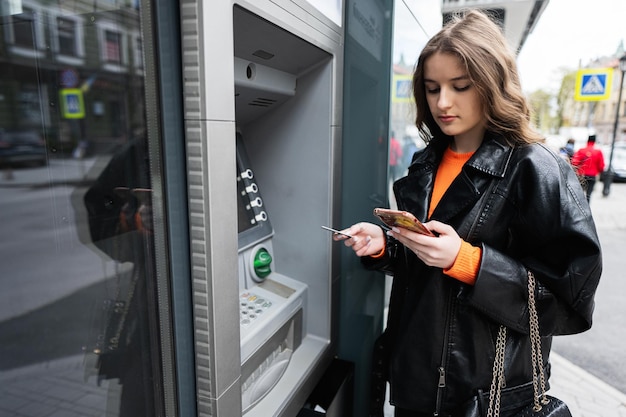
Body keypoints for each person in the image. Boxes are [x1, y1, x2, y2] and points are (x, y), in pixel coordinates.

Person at [334, 10, 602, 417]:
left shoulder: (536, 167)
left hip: (485, 397)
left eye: (460, 86)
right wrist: (385, 245)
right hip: (415, 384)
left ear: (492, 83)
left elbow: (569, 302)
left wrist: (470, 262)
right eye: (431, 88)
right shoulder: (426, 163)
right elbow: (427, 264)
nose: (443, 102)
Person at [571, 135, 605, 201]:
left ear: (587, 140)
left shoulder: (581, 150)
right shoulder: (598, 152)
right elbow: (601, 166)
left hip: (582, 175)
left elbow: (574, 162)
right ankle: (587, 208)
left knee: (579, 193)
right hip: (592, 176)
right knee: (589, 194)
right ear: (595, 141)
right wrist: (598, 171)